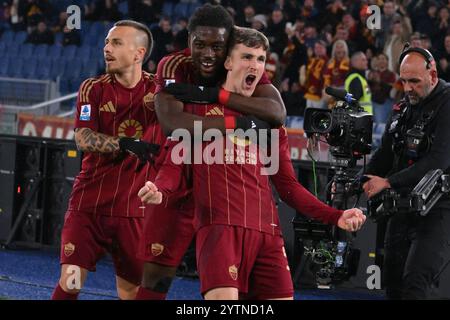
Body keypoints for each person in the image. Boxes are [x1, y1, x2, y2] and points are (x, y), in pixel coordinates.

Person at [139, 26, 366, 300]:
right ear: (228, 62)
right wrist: (159, 189)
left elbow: (288, 187)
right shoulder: (197, 113)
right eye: (247, 57)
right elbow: (174, 166)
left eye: (260, 59)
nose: (255, 65)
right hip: (220, 230)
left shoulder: (270, 122)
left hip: (268, 236)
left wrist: (336, 215)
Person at [134, 4, 287, 300]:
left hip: (221, 186)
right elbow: (173, 125)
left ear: (228, 46)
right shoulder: (173, 66)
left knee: (233, 288)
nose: (207, 54)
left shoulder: (241, 63)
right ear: (188, 40)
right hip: (177, 173)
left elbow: (276, 112)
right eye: (199, 44)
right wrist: (239, 123)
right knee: (156, 279)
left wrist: (212, 95)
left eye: (217, 46)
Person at [51, 20, 161, 300]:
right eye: (106, 43)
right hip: (89, 206)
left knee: (131, 291)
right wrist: (125, 143)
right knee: (71, 281)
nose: (106, 49)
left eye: (116, 43)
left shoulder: (159, 93)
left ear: (139, 53)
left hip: (133, 211)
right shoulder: (93, 88)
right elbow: (83, 138)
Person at [362, 46, 450, 299]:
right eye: (403, 80)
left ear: (432, 76)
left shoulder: (447, 103)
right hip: (401, 206)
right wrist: (362, 180)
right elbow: (386, 153)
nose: (408, 88)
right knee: (392, 282)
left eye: (414, 81)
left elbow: (438, 161)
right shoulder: (403, 107)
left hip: (439, 207)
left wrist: (388, 182)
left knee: (415, 281)